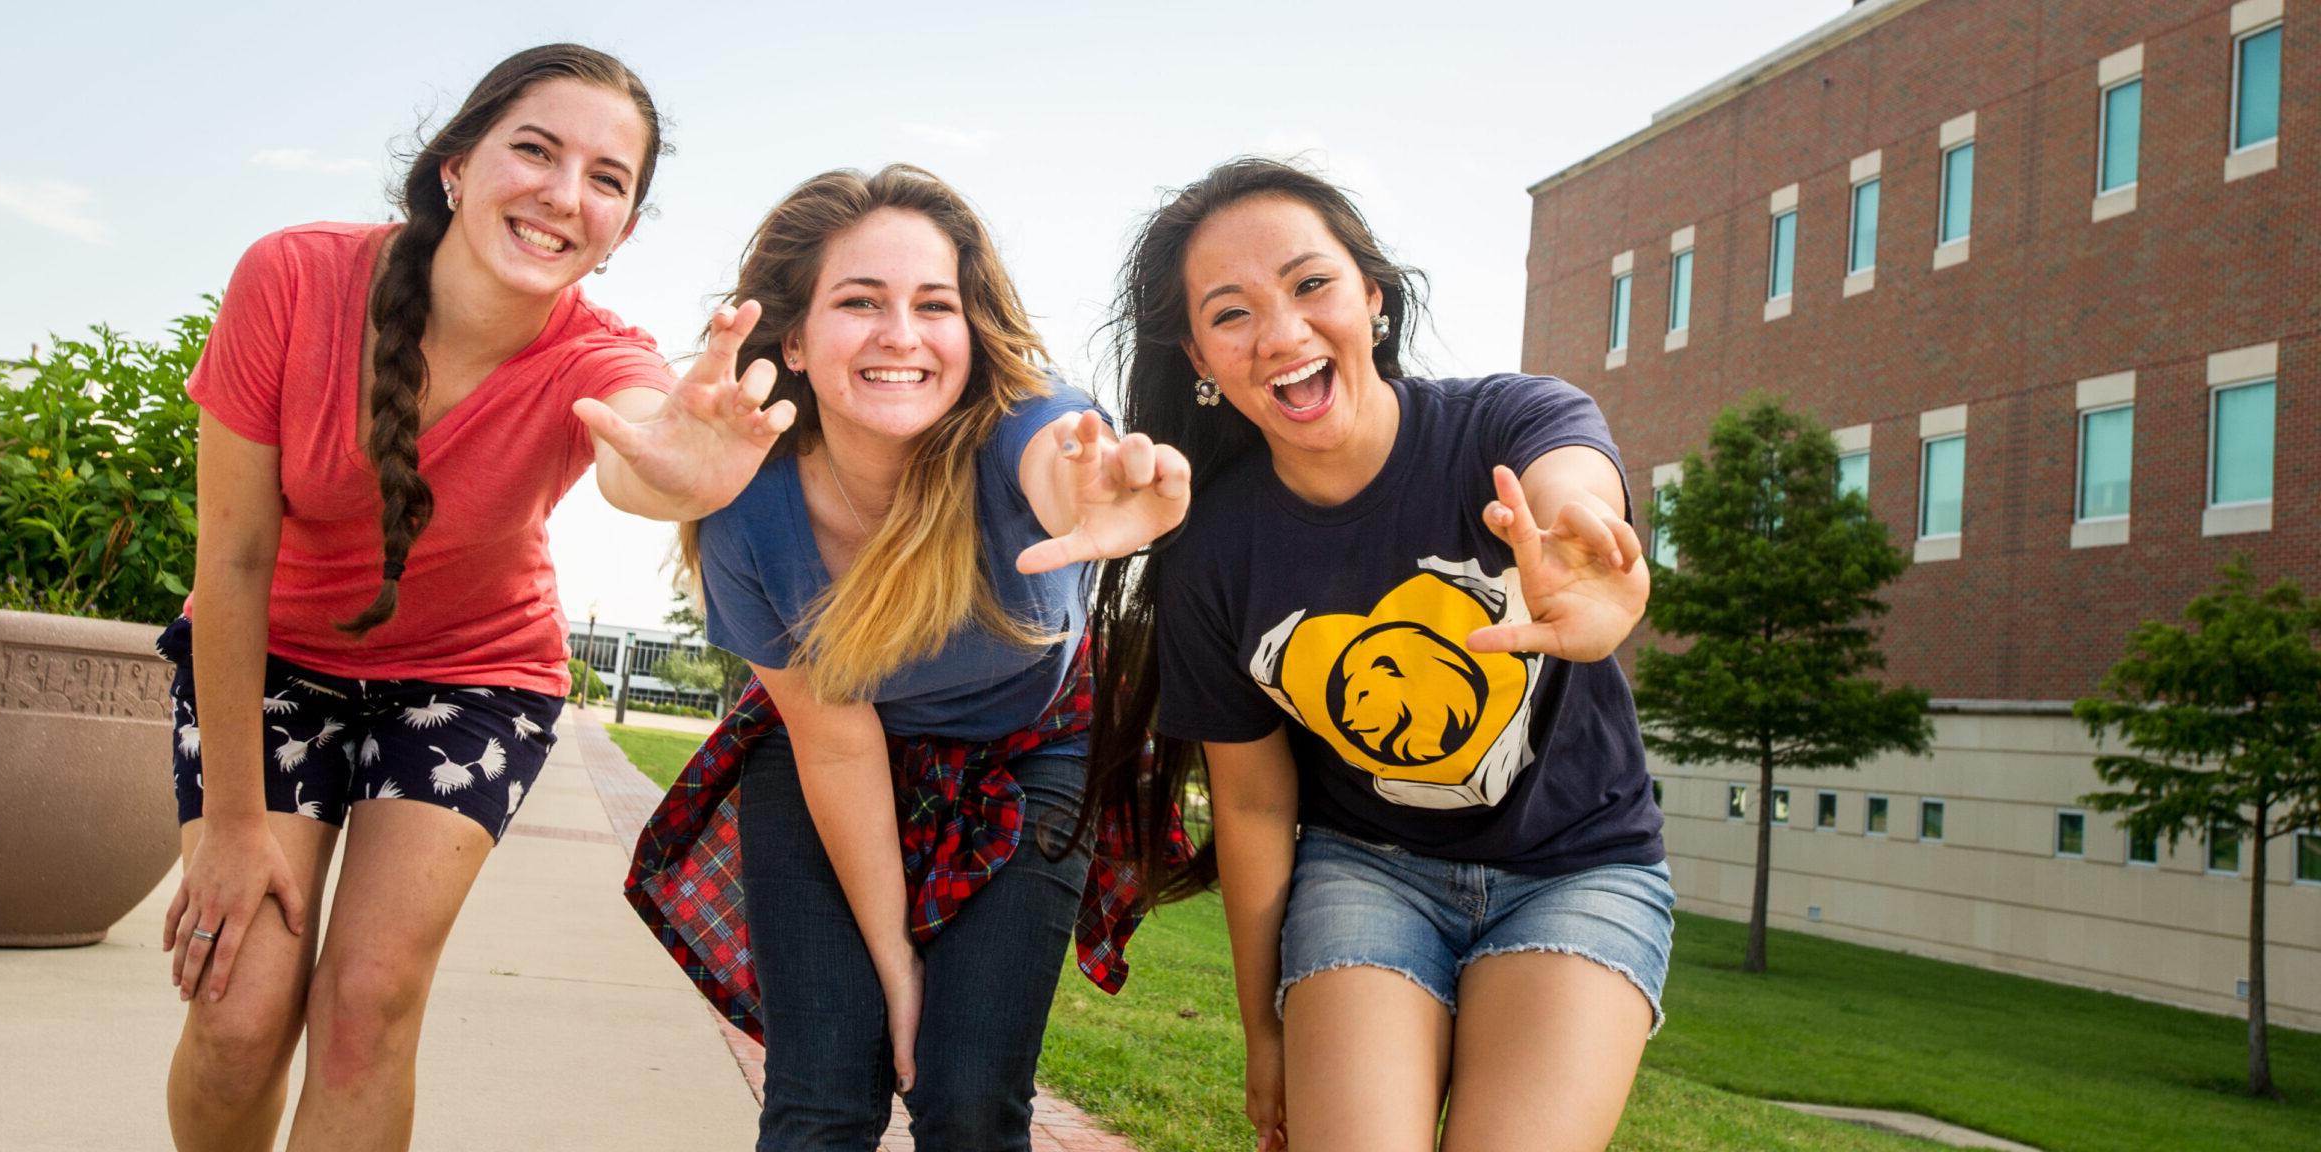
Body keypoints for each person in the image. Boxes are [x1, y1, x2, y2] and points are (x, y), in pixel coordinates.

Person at [157, 45, 790, 1151]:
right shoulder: (293, 279)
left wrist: (685, 459)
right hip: (274, 661)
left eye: (607, 179)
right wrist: (232, 825)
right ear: (456, 165)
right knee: (237, 1011)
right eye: (535, 151)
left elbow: (639, 442)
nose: (563, 194)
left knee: (365, 1008)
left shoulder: (599, 354)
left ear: (624, 230)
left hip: (470, 679)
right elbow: (234, 561)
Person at [1085, 157, 1670, 1152]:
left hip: (1580, 870)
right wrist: (1262, 1028)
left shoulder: (1505, 422)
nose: (1280, 332)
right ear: (1198, 357)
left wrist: (1581, 538)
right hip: (1369, 874)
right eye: (1231, 313)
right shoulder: (1212, 555)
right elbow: (1257, 802)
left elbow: (1569, 481)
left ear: (1374, 297)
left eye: (1311, 285)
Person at [625, 163, 1192, 1151]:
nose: (901, 333)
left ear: (971, 333)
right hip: (831, 762)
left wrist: (1100, 493)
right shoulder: (748, 512)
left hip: (1032, 753)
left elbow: (1063, 461)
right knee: (823, 1099)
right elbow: (834, 746)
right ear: (794, 339)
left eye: (935, 304)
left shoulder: (1027, 426)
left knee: (969, 1103)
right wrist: (893, 964)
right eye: (859, 301)